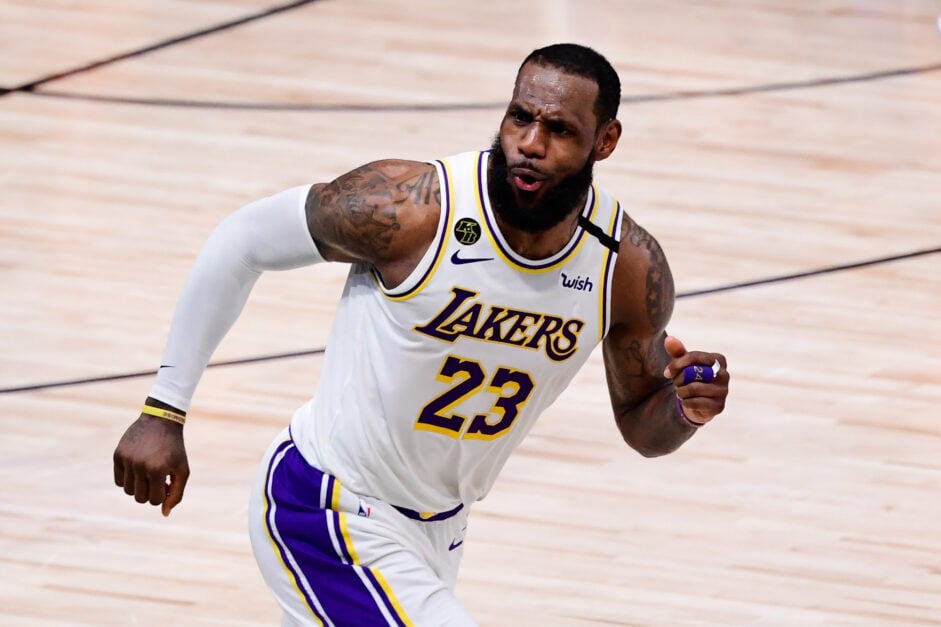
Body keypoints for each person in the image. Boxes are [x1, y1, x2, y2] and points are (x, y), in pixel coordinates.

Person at [113, 43, 730, 626]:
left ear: (606, 140)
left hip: (440, 529)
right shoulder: (412, 208)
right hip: (326, 506)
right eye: (520, 118)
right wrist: (164, 409)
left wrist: (684, 408)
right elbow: (241, 241)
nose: (529, 144)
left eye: (560, 130)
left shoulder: (626, 267)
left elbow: (643, 423)